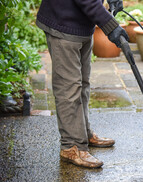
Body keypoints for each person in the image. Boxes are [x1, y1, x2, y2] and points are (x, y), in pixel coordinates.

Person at [36, 0, 128, 168]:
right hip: (63, 23)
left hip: (82, 25)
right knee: (69, 89)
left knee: (83, 84)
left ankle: (83, 133)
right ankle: (72, 146)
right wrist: (110, 25)